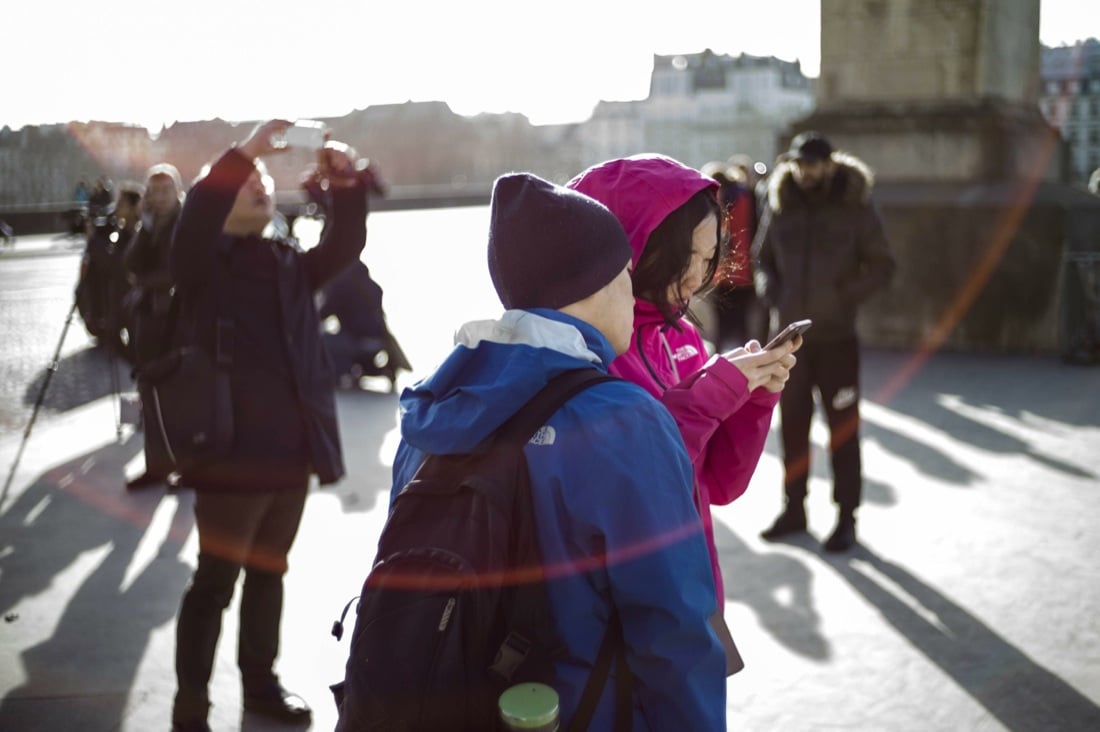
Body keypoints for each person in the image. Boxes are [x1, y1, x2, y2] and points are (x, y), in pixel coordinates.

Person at [390, 172, 726, 729]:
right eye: (624, 275)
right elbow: (674, 628)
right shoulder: (623, 420)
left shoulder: (431, 408)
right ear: (596, 284)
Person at [167, 120, 369, 732]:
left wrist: (346, 185)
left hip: (289, 455)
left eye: (261, 179)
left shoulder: (285, 262)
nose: (259, 184)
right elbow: (196, 213)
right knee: (213, 585)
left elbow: (345, 245)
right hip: (228, 457)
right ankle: (191, 709)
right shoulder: (201, 264)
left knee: (269, 573)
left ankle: (260, 689)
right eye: (244, 181)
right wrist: (247, 149)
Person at [567, 153, 798, 603]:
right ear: (632, 244)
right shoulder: (584, 349)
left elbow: (718, 482)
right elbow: (638, 489)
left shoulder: (684, 334)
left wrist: (754, 397)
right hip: (621, 599)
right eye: (685, 257)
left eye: (710, 257)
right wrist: (712, 393)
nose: (697, 276)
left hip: (691, 581)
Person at [753, 131, 896, 552]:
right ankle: (794, 509)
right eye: (798, 163)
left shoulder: (856, 205)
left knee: (842, 430)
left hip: (837, 340)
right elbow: (764, 261)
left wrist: (844, 296)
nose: (803, 171)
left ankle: (846, 517)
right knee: (793, 427)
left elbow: (883, 264)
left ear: (830, 163)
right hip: (789, 344)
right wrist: (772, 293)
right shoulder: (781, 202)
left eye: (812, 164)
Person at [123, 163, 185, 490]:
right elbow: (129, 264)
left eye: (165, 191)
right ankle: (157, 465)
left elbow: (179, 270)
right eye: (154, 192)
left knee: (181, 393)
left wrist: (144, 280)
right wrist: (144, 228)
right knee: (149, 391)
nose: (159, 198)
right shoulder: (150, 224)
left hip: (177, 318)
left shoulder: (186, 222)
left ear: (177, 192)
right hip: (150, 316)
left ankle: (189, 465)